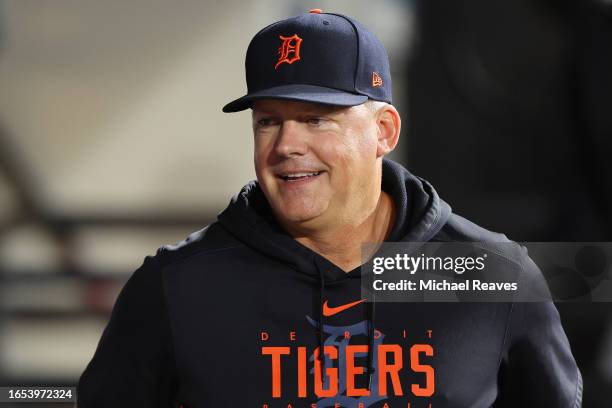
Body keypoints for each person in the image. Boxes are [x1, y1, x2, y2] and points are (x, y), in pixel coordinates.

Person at [77, 10, 582, 408]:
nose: (286, 145)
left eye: (316, 119)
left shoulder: (493, 275)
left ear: (383, 131)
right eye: (268, 122)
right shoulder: (176, 286)